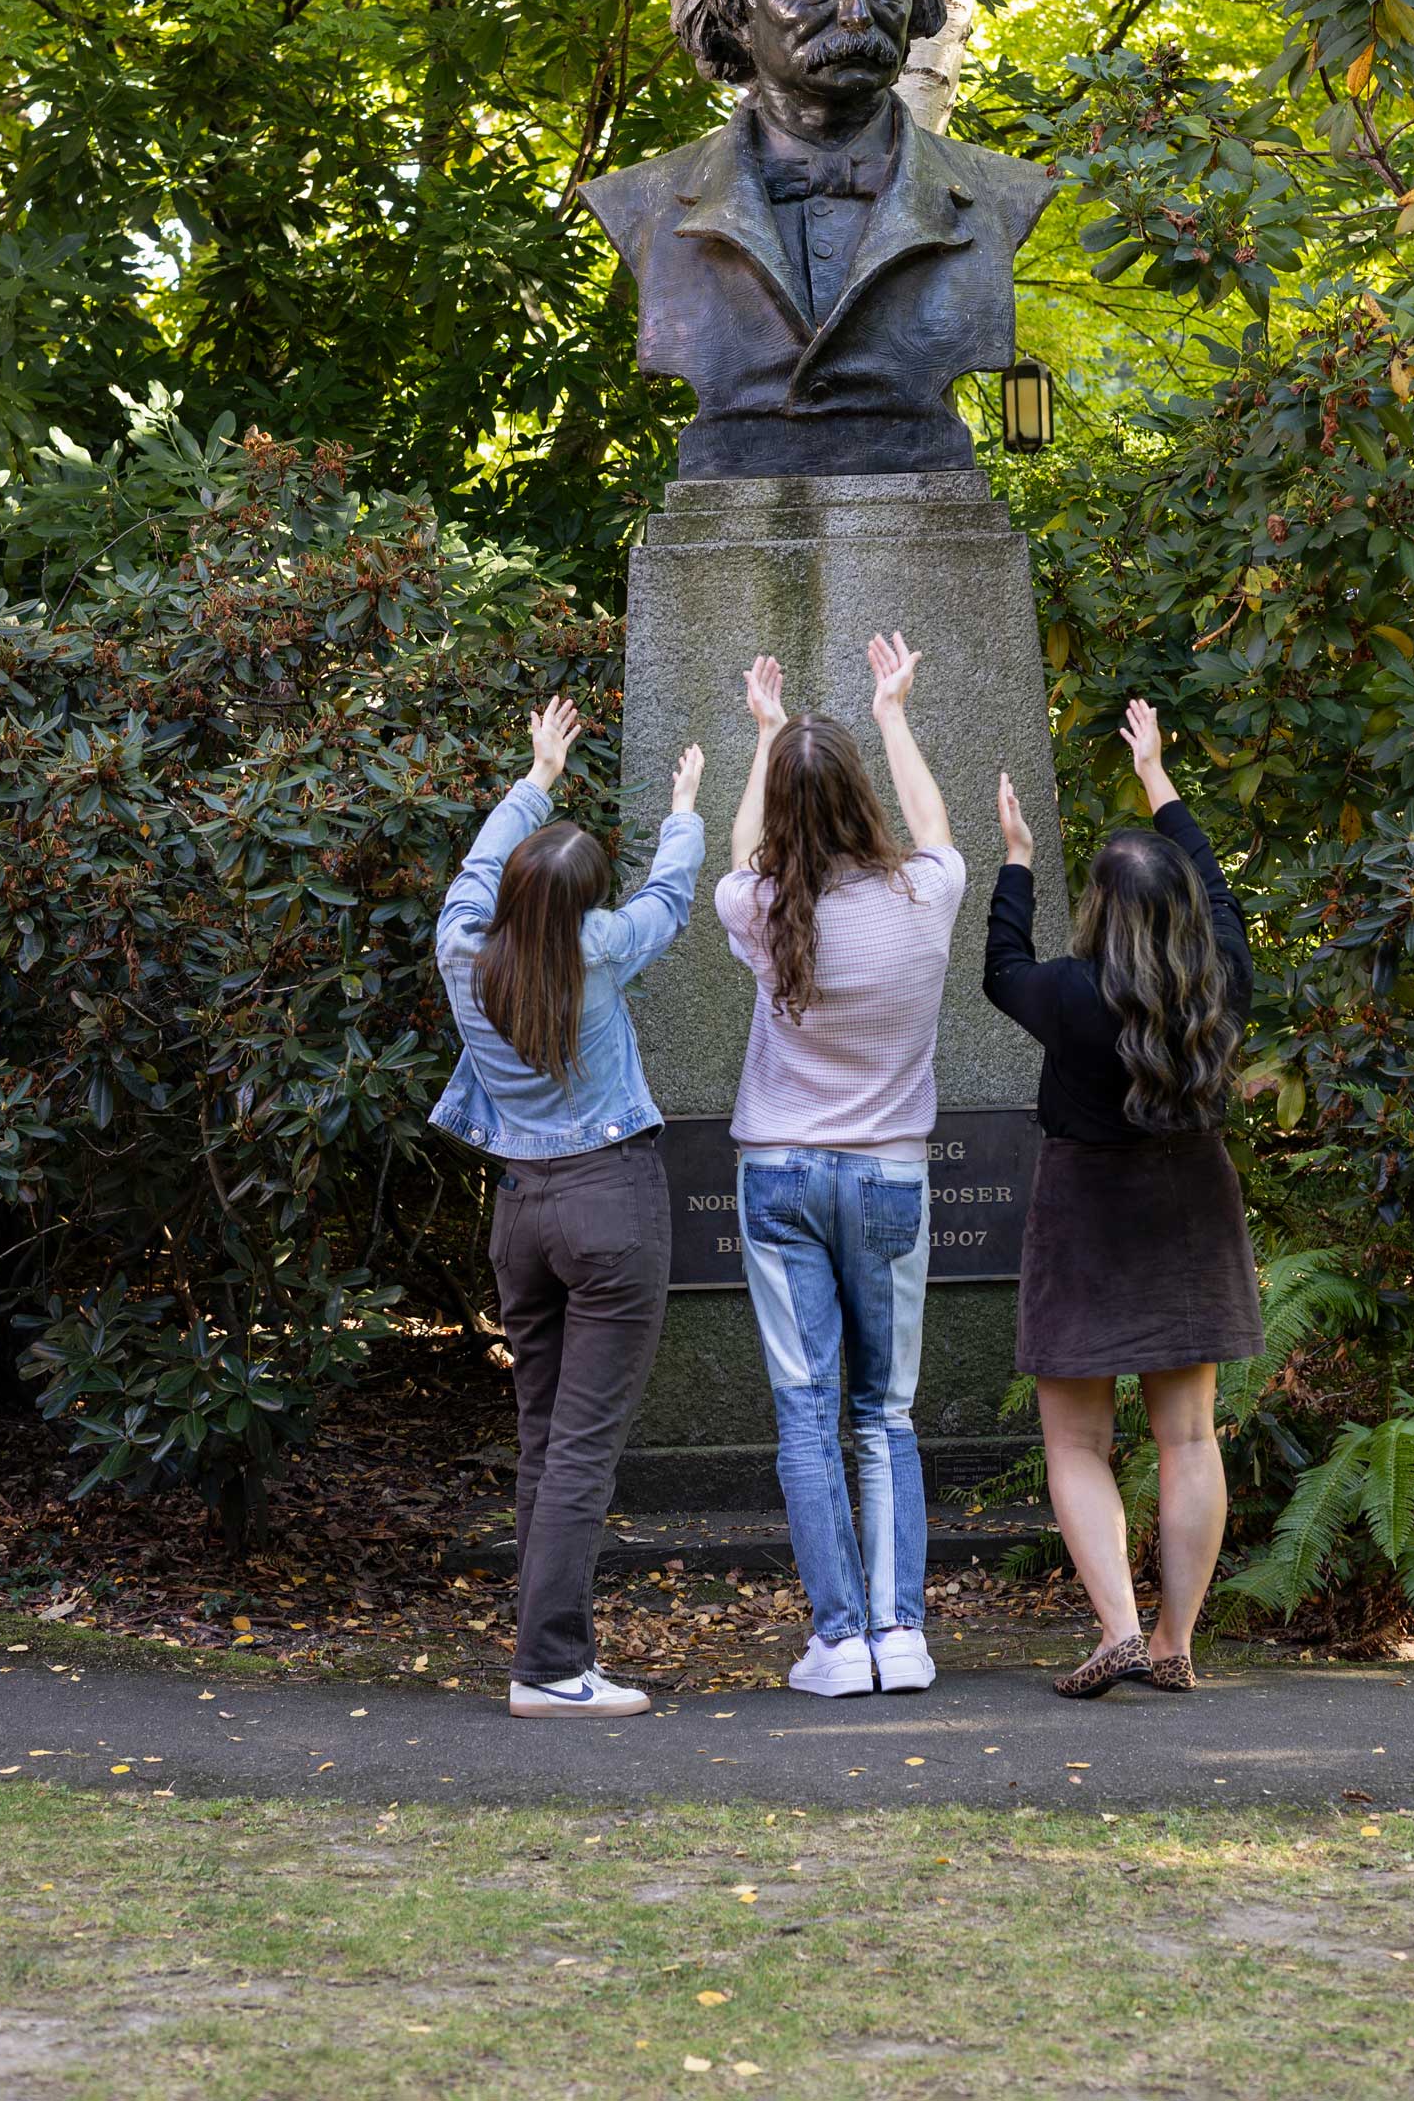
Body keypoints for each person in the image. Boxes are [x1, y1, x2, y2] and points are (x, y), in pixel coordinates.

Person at [433, 698, 705, 1719]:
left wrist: (537, 776)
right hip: (608, 1206)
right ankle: (549, 1668)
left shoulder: (463, 947)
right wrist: (683, 808)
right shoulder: (601, 948)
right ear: (586, 907)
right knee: (580, 1443)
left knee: (547, 1435)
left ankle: (544, 1654)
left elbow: (473, 873)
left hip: (519, 1213)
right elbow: (671, 896)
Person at [983, 699, 1260, 1696]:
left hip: (1084, 1212)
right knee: (1186, 1435)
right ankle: (1176, 1643)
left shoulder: (1064, 994)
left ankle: (1118, 1630)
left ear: (1095, 910)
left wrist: (1014, 857)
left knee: (1075, 1438)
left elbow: (997, 967)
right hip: (1188, 1203)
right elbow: (1219, 896)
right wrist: (1158, 779)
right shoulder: (1218, 980)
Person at [719, 633, 964, 1697]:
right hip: (889, 1179)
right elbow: (938, 828)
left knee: (806, 1413)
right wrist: (894, 712)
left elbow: (737, 858)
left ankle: (838, 1641)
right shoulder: (927, 896)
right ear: (862, 799)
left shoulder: (759, 909)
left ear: (781, 810)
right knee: (885, 1412)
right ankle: (899, 1635)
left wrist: (765, 740)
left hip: (775, 1174)